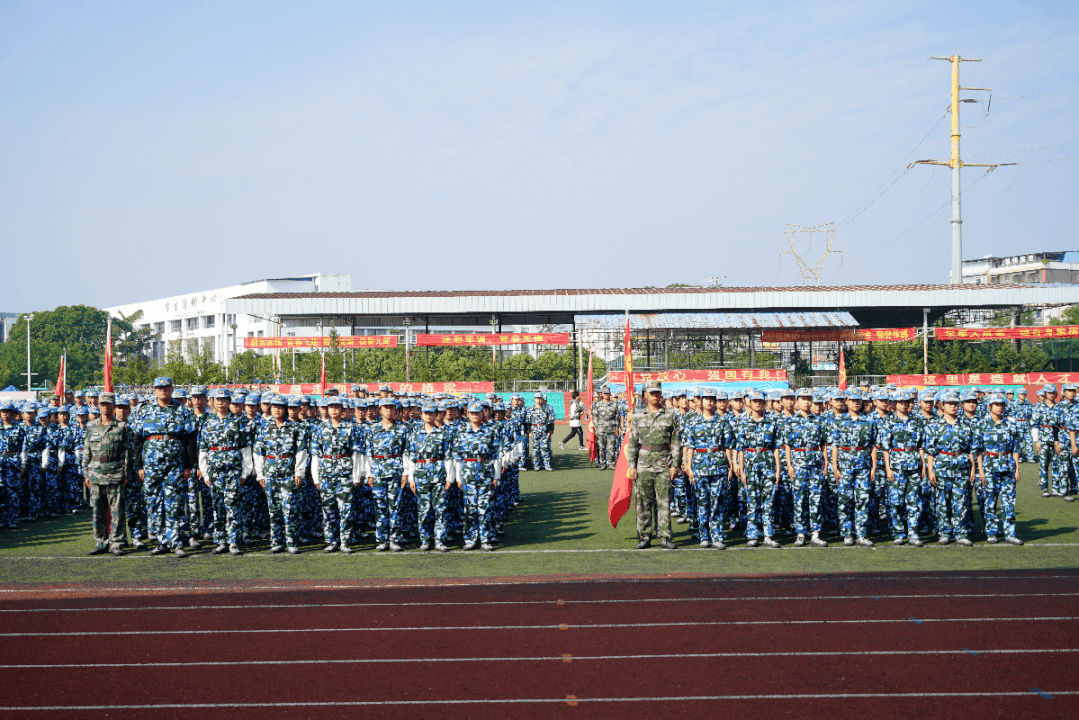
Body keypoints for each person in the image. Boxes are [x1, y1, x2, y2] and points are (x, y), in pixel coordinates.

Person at [131, 377, 198, 557]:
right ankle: (162, 541)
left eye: (166, 387)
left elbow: (190, 439)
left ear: (172, 389)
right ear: (154, 390)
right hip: (151, 465)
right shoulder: (145, 410)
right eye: (159, 387)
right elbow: (137, 439)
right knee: (153, 502)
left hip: (174, 465)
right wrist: (139, 466)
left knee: (174, 502)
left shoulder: (182, 410)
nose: (163, 390)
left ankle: (177, 542)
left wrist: (188, 465)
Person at [625, 380, 681, 550]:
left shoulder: (670, 415)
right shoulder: (638, 417)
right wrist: (632, 466)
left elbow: (676, 442)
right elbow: (632, 443)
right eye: (652, 393)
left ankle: (665, 536)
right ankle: (644, 536)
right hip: (643, 464)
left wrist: (675, 465)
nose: (655, 396)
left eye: (657, 392)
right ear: (645, 395)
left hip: (664, 462)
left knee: (664, 502)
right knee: (644, 502)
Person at [198, 388, 253, 556]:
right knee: (217, 506)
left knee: (232, 505)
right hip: (214, 471)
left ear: (229, 402)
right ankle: (220, 541)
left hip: (233, 470)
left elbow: (245, 449)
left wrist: (246, 472)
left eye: (224, 399)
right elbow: (203, 449)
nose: (221, 402)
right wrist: (205, 473)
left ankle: (233, 541)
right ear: (213, 402)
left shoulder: (238, 422)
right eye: (218, 399)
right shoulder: (208, 422)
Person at [253, 395, 310, 554]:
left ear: (285, 409)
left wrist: (299, 472)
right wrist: (260, 475)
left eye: (280, 407)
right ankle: (276, 542)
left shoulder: (295, 428)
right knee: (274, 510)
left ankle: (291, 542)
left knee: (290, 509)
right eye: (274, 406)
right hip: (270, 474)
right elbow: (258, 453)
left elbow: (301, 451)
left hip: (288, 474)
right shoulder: (263, 428)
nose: (277, 409)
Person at [310, 395, 366, 554]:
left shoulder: (350, 428)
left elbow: (356, 454)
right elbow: (316, 455)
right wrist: (316, 478)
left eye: (337, 407)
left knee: (346, 510)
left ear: (342, 409)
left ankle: (345, 541)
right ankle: (331, 541)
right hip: (326, 474)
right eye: (331, 407)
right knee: (328, 510)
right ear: (327, 409)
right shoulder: (320, 429)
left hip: (344, 474)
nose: (334, 410)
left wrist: (356, 476)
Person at [80, 392, 131, 556]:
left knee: (117, 512)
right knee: (98, 511)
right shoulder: (90, 426)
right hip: (96, 474)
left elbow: (126, 453)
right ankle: (101, 541)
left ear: (113, 406)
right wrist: (86, 474)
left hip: (115, 473)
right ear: (99, 406)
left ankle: (116, 542)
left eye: (109, 404)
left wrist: (125, 474)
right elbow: (86, 452)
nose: (105, 407)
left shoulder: (122, 427)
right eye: (103, 404)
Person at [925, 390, 977, 546]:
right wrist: (930, 471)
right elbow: (930, 452)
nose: (953, 406)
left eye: (955, 403)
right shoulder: (934, 425)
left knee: (961, 502)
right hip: (942, 467)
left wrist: (973, 469)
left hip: (962, 467)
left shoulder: (966, 425)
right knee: (942, 502)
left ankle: (961, 533)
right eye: (949, 404)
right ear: (942, 405)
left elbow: (971, 449)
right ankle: (944, 532)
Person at [975, 393, 1023, 545]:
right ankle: (991, 532)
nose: (1000, 407)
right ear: (989, 406)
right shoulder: (982, 425)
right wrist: (980, 470)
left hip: (1008, 466)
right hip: (989, 467)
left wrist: (1017, 468)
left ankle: (1010, 533)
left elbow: (1015, 448)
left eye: (1002, 404)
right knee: (990, 501)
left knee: (1009, 502)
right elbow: (978, 451)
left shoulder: (1011, 425)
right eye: (996, 404)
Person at [525, 393, 556, 471]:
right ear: (534, 399)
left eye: (540, 398)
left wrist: (549, 431)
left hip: (544, 430)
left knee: (545, 448)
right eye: (537, 398)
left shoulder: (546, 409)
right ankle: (536, 465)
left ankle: (547, 465)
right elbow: (528, 422)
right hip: (534, 430)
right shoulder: (530, 409)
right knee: (536, 449)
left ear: (542, 399)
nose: (538, 400)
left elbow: (549, 421)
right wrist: (529, 432)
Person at [592, 388, 620, 470]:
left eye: (608, 393)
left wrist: (616, 428)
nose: (607, 395)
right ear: (602, 394)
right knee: (602, 448)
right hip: (601, 428)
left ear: (610, 394)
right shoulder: (598, 405)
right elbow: (595, 417)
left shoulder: (614, 405)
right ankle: (603, 464)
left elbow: (617, 417)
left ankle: (611, 464)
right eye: (605, 393)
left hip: (611, 428)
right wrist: (596, 429)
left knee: (611, 448)